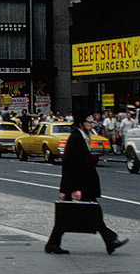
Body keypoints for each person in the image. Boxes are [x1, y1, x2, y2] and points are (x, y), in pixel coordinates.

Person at [44, 107, 127, 256]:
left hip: (82, 183)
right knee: (81, 213)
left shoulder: (81, 136)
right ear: (81, 124)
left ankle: (109, 241)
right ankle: (109, 240)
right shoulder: (76, 139)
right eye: (89, 122)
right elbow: (70, 165)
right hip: (79, 184)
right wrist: (73, 188)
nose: (92, 125)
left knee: (83, 213)